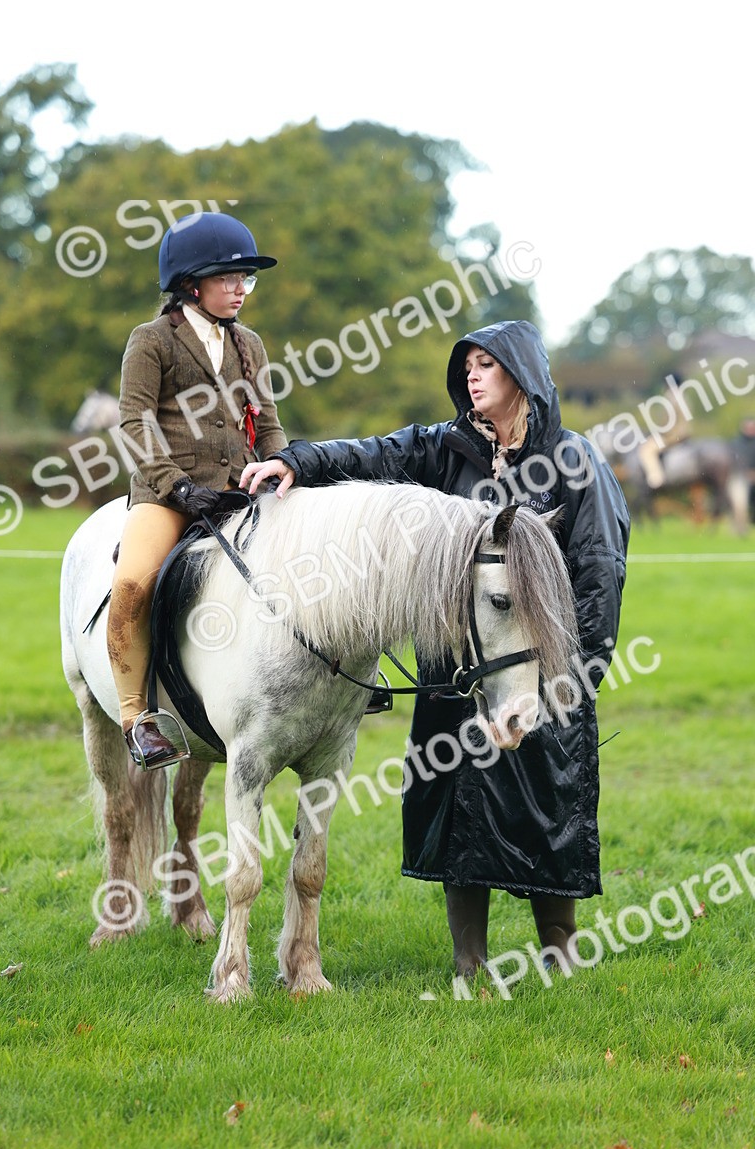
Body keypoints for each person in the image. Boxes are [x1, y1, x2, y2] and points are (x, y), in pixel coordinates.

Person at [240, 320, 630, 976]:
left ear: (522, 375)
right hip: (457, 673)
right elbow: (370, 456)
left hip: (538, 673)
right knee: (460, 818)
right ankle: (468, 963)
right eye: (467, 366)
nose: (472, 376)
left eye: (487, 365)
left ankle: (560, 959)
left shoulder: (574, 461)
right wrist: (297, 462)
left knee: (547, 814)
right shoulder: (445, 449)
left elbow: (599, 569)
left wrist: (573, 674)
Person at [108, 211, 288, 769]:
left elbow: (269, 422)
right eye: (227, 278)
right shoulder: (152, 340)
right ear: (191, 284)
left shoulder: (249, 343)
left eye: (245, 279)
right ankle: (136, 718)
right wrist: (175, 486)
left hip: (241, 490)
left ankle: (339, 679)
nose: (240, 289)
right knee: (133, 583)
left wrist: (282, 464)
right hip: (169, 494)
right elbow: (134, 422)